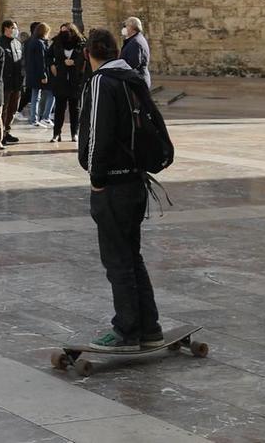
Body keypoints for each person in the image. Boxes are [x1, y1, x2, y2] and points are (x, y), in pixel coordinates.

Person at [78, 26, 164, 350]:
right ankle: (149, 326)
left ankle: (127, 330)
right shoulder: (132, 79)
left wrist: (97, 179)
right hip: (135, 180)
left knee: (117, 260)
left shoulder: (101, 82)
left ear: (89, 54)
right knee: (131, 256)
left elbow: (98, 134)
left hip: (112, 184)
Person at [49, 23, 88, 142]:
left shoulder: (81, 43)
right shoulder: (56, 42)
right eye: (62, 31)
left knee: (74, 108)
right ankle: (56, 133)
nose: (64, 34)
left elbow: (86, 58)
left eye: (66, 31)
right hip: (60, 78)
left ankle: (74, 133)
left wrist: (75, 62)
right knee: (59, 108)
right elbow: (49, 56)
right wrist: (53, 66)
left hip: (75, 79)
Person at [0, 20, 25, 146]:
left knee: (13, 109)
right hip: (5, 82)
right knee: (4, 109)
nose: (15, 30)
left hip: (17, 82)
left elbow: (21, 61)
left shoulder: (17, 43)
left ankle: (7, 131)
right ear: (6, 28)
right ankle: (0, 134)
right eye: (13, 28)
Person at [23, 21, 52, 128]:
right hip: (38, 74)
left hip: (32, 73)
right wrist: (43, 75)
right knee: (48, 94)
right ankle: (42, 118)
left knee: (35, 96)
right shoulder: (39, 43)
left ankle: (34, 119)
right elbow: (41, 61)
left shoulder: (32, 42)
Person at [120, 17, 152, 87]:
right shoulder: (137, 39)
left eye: (126, 26)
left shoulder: (135, 42)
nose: (124, 29)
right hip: (139, 78)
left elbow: (133, 63)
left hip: (137, 80)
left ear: (132, 28)